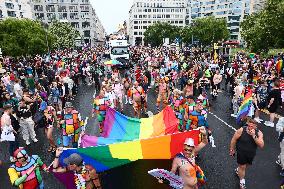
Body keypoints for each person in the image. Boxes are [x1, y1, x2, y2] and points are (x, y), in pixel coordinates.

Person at [229, 118, 264, 189]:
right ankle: (242, 181)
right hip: (241, 152)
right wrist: (232, 149)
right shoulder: (241, 130)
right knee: (243, 167)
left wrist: (254, 136)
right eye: (248, 125)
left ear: (255, 126)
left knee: (246, 165)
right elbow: (234, 139)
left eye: (252, 126)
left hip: (251, 153)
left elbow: (261, 145)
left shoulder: (259, 133)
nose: (249, 127)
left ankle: (238, 170)